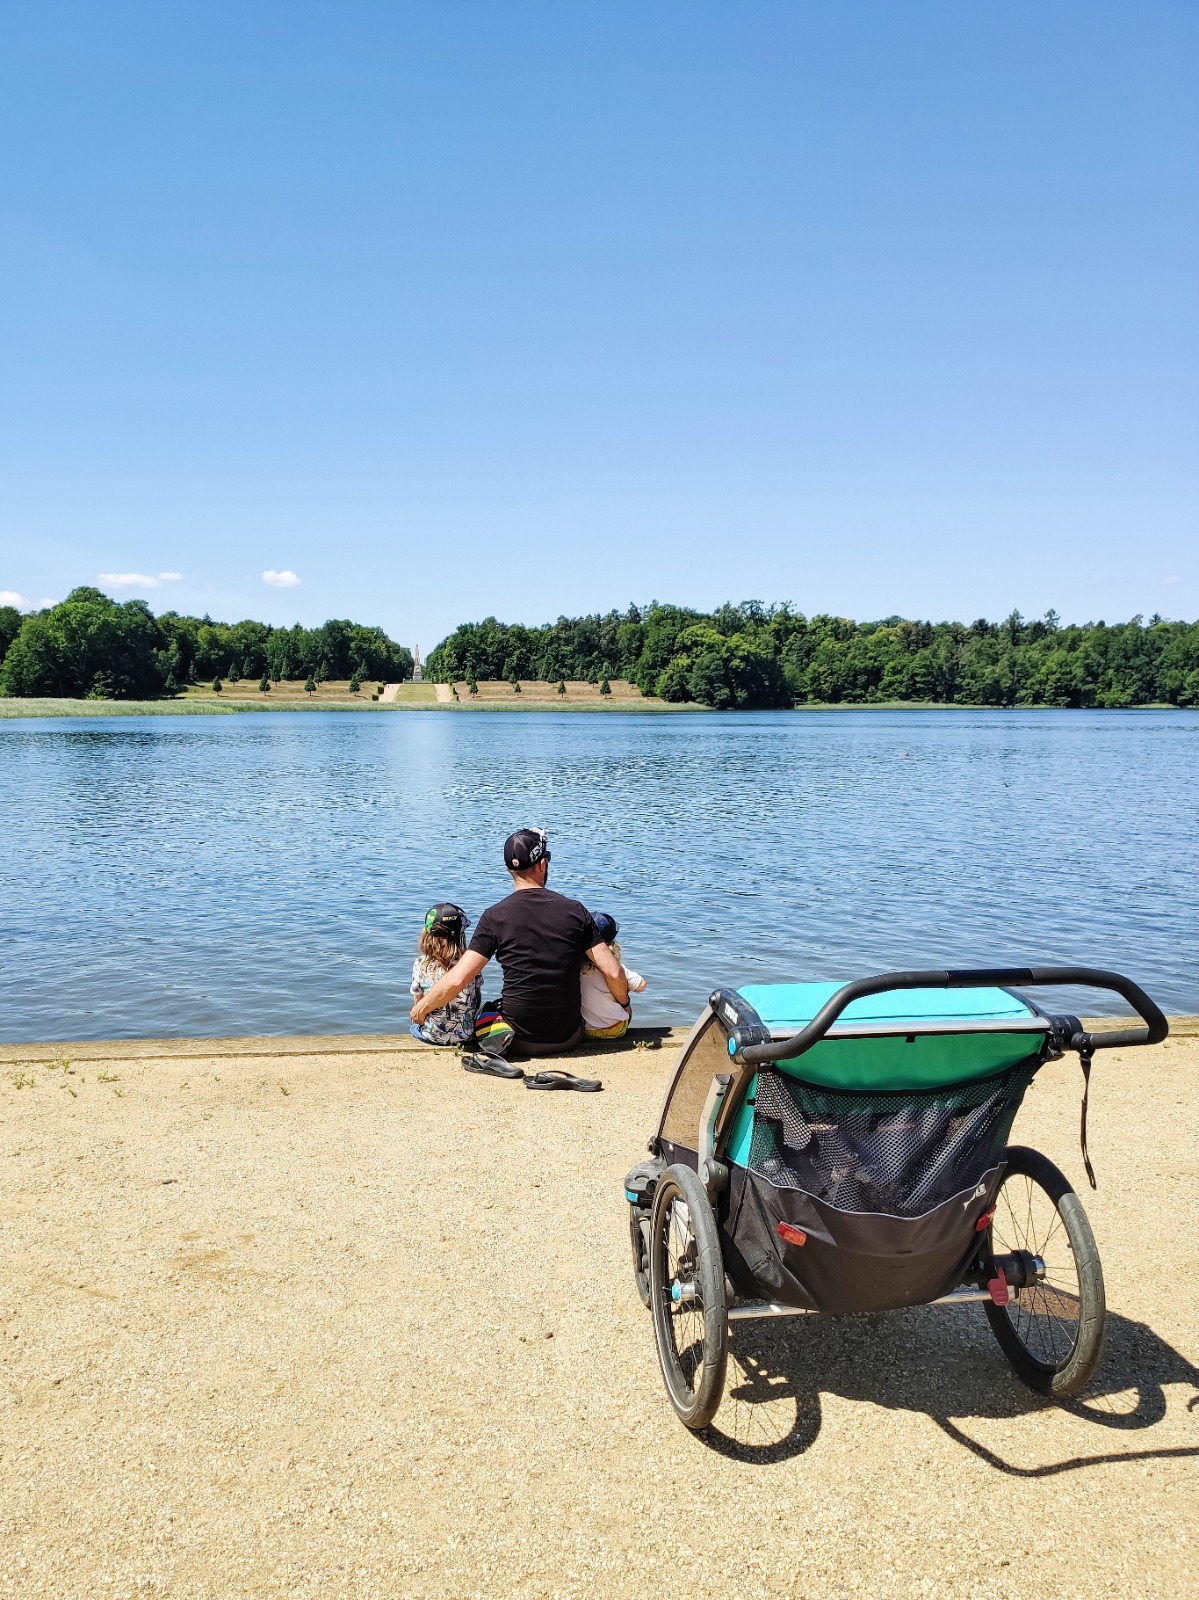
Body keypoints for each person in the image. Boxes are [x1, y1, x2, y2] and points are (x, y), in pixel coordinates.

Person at [409, 828, 629, 1067]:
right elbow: (614, 972)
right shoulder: (575, 911)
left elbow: (456, 980)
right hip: (569, 1036)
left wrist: (422, 1007)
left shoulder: (495, 917)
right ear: (543, 864)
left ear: (509, 869)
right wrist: (625, 1005)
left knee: (489, 1009)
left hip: (518, 1040)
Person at [409, 903, 481, 1045]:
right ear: (461, 934)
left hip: (433, 1036)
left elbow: (419, 1006)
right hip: (466, 1035)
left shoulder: (421, 964)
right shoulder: (470, 964)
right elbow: (476, 999)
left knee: (414, 1027)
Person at [580, 912, 646, 1039]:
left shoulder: (578, 967)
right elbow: (642, 985)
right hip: (615, 1029)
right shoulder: (615, 968)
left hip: (584, 1029)